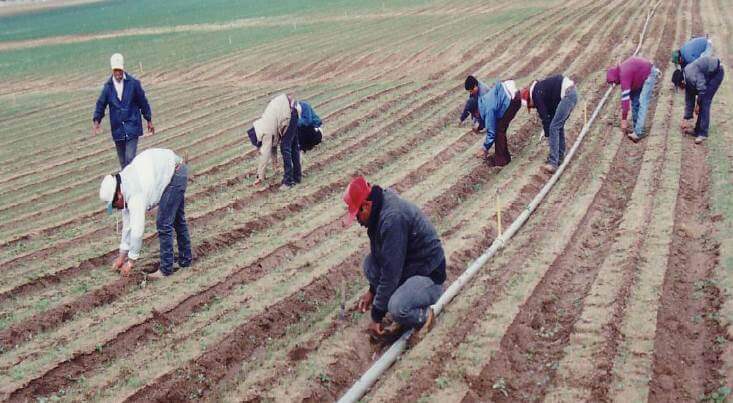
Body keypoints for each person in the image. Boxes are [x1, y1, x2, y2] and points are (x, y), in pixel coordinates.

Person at [342, 176, 446, 340]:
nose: (357, 220)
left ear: (366, 206)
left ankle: (424, 316)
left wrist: (377, 316)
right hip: (411, 265)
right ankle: (405, 301)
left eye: (357, 215)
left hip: (429, 273)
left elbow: (391, 273)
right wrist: (372, 291)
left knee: (397, 308)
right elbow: (382, 258)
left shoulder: (392, 219)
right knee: (370, 265)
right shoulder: (378, 210)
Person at [98, 148, 191, 278]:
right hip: (174, 168)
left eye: (113, 205)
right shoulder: (125, 186)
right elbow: (127, 227)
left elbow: (137, 230)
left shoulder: (135, 194)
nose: (115, 208)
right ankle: (185, 260)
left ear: (118, 195)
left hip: (175, 174)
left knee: (164, 223)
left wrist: (130, 262)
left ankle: (166, 270)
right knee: (177, 220)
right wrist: (121, 257)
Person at [93, 53, 154, 168]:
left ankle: (134, 183)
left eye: (120, 70)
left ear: (123, 68)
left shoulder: (133, 84)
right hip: (118, 130)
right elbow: (101, 104)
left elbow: (143, 102)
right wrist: (97, 121)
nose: (118, 73)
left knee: (130, 159)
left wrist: (149, 120)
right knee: (123, 163)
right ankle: (129, 185)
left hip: (132, 127)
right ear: (112, 70)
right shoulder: (108, 87)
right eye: (116, 71)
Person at [521, 74, 578, 174]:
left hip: (568, 95)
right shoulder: (541, 90)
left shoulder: (536, 93)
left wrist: (548, 133)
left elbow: (544, 117)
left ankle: (553, 163)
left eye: (531, 106)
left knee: (554, 127)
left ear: (529, 100)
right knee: (557, 126)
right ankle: (559, 157)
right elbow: (551, 113)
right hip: (572, 93)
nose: (533, 107)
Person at [249, 94, 300, 190]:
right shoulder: (263, 124)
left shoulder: (265, 133)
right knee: (293, 147)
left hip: (288, 114)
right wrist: (275, 166)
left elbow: (265, 155)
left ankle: (288, 182)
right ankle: (297, 177)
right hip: (292, 108)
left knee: (286, 148)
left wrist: (260, 177)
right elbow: (273, 147)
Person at [606, 56, 661, 142]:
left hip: (649, 73)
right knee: (635, 101)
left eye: (614, 83)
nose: (616, 84)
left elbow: (625, 99)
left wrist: (624, 119)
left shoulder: (624, 74)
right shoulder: (621, 72)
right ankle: (637, 127)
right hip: (638, 77)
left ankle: (638, 132)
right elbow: (630, 96)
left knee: (643, 101)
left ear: (614, 77)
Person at [673, 56, 725, 144]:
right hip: (708, 75)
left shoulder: (691, 75)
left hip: (717, 72)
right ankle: (697, 130)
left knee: (705, 101)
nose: (681, 89)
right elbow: (689, 100)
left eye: (680, 86)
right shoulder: (687, 79)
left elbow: (702, 89)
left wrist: (698, 104)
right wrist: (686, 118)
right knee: (702, 101)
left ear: (682, 82)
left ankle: (703, 133)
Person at [476, 80, 521, 166]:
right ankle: (505, 157)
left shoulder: (488, 109)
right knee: (500, 128)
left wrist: (484, 148)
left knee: (499, 130)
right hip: (511, 96)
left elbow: (491, 132)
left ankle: (501, 161)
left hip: (513, 99)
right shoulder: (482, 101)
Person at [295, 100, 324, 165]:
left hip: (315, 132)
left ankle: (300, 149)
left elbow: (307, 122)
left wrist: (293, 121)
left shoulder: (304, 106)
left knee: (302, 128)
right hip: (304, 134)